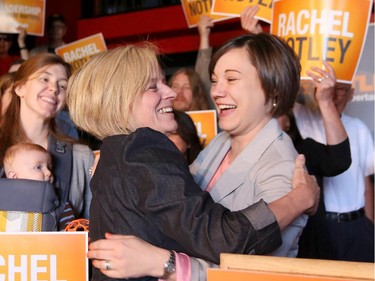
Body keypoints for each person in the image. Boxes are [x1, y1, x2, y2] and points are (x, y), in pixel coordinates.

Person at [71, 39, 317, 281]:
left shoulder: (282, 165)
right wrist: (299, 199)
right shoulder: (197, 146)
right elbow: (205, 226)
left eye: (231, 79)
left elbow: (261, 273)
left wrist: (165, 264)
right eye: (214, 80)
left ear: (272, 88)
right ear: (120, 100)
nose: (216, 91)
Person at [0, 53, 93, 222]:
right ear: (20, 87)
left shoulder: (81, 157)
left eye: (62, 86)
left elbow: (92, 223)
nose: (54, 88)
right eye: (44, 79)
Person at [294, 78, 374, 262]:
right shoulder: (304, 119)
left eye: (341, 90)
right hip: (322, 227)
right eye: (331, 89)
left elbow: (366, 182)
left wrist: (369, 226)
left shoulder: (360, 128)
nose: (334, 95)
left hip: (358, 225)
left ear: (351, 94)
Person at [3, 142, 75, 230]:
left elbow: (70, 233)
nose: (49, 172)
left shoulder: (59, 202)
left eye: (49, 167)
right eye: (38, 167)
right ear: (14, 176)